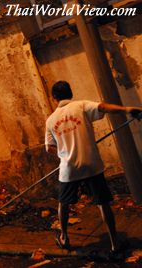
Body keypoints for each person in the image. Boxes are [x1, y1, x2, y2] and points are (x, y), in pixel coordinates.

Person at [45, 81, 142, 253]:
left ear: (54, 97)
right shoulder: (81, 106)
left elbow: (49, 147)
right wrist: (127, 110)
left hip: (69, 168)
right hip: (91, 164)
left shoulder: (51, 120)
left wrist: (64, 151)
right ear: (71, 92)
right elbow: (104, 107)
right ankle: (114, 243)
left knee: (63, 203)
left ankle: (64, 238)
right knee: (103, 203)